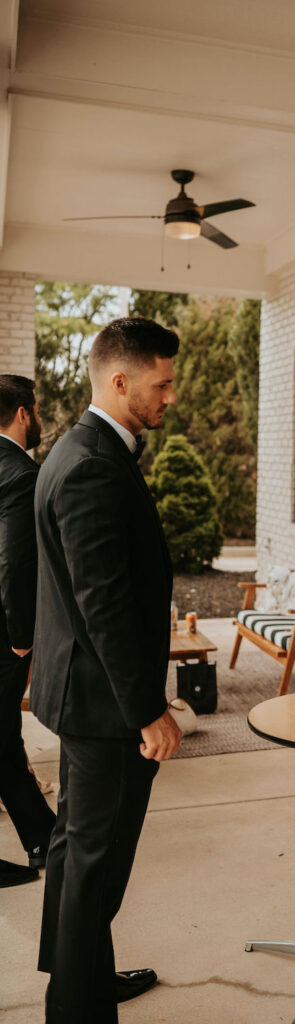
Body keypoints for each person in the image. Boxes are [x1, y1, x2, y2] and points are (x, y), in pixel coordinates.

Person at [29, 317, 183, 1024]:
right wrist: (146, 708)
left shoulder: (78, 449)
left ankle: (81, 971)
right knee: (95, 862)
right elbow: (104, 606)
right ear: (118, 381)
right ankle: (76, 1005)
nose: (170, 397)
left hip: (82, 695)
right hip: (103, 705)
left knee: (74, 851)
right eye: (162, 383)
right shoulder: (92, 464)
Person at [0, 375, 56, 888]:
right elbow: (15, 563)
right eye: (36, 411)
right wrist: (22, 636)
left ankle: (42, 837)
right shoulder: (21, 474)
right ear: (23, 413)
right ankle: (44, 839)